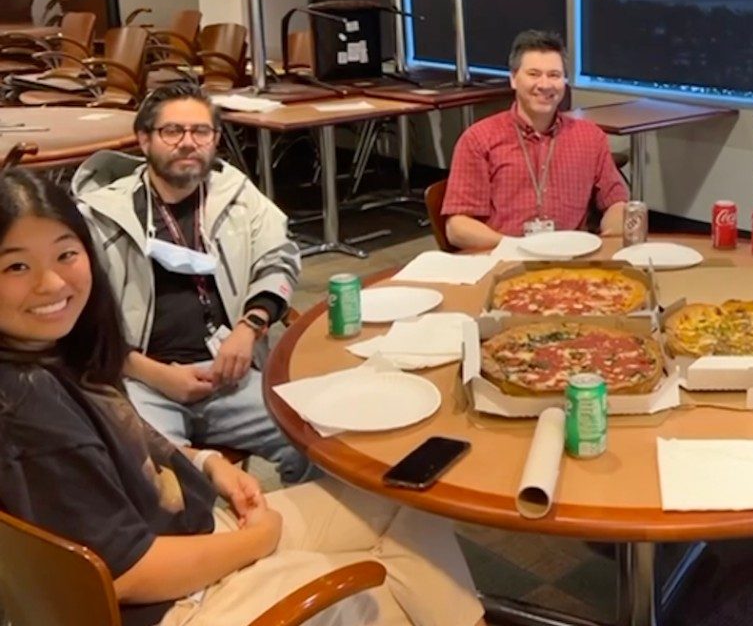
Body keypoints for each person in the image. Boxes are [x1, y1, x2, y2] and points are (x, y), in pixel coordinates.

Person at [0, 169, 484, 626]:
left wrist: (209, 463)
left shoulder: (57, 353)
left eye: (66, 254)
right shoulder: (30, 408)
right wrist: (258, 542)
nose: (53, 283)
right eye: (16, 265)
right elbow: (128, 573)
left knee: (403, 503)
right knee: (384, 594)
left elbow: (128, 444)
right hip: (173, 601)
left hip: (192, 525)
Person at [72, 83, 309, 482]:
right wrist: (152, 373)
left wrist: (249, 328)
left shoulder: (237, 196)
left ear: (215, 139)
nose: (188, 143)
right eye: (172, 131)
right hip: (140, 379)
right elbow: (82, 323)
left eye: (201, 132)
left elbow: (279, 258)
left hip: (229, 372)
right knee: (160, 484)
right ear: (144, 139)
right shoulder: (101, 215)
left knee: (313, 445)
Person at [440, 30, 629, 251]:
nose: (545, 84)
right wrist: (516, 248)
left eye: (554, 75)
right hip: (504, 259)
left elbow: (617, 202)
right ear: (513, 78)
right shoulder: (479, 139)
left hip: (572, 260)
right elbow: (457, 228)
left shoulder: (590, 137)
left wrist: (607, 241)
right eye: (533, 74)